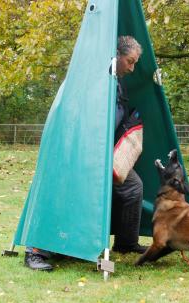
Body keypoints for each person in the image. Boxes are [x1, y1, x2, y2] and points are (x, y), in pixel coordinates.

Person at [24, 35, 148, 271]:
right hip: (77, 151)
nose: (132, 68)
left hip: (103, 154)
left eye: (134, 63)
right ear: (117, 55)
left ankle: (126, 242)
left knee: (133, 186)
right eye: (130, 61)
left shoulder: (118, 82)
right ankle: (36, 252)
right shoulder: (90, 76)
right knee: (66, 192)